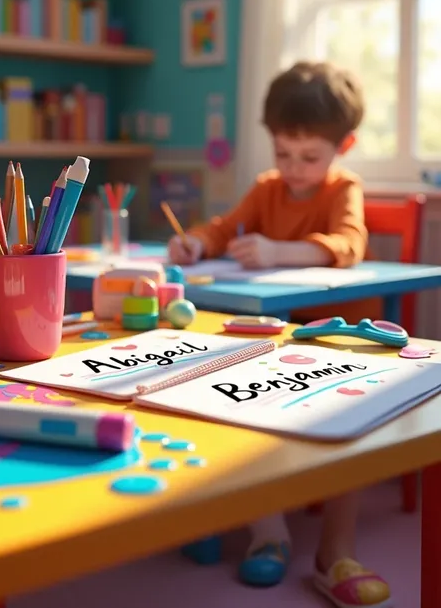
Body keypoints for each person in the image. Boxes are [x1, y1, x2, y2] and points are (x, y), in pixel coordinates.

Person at [168, 61, 391, 608]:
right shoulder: (267, 190)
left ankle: (335, 552)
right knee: (232, 401)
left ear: (344, 145)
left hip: (340, 342)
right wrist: (195, 243)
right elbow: (222, 228)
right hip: (276, 337)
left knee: (350, 421)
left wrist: (279, 251)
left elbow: (348, 245)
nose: (293, 168)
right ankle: (267, 530)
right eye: (282, 153)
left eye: (309, 156)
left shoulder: (344, 187)